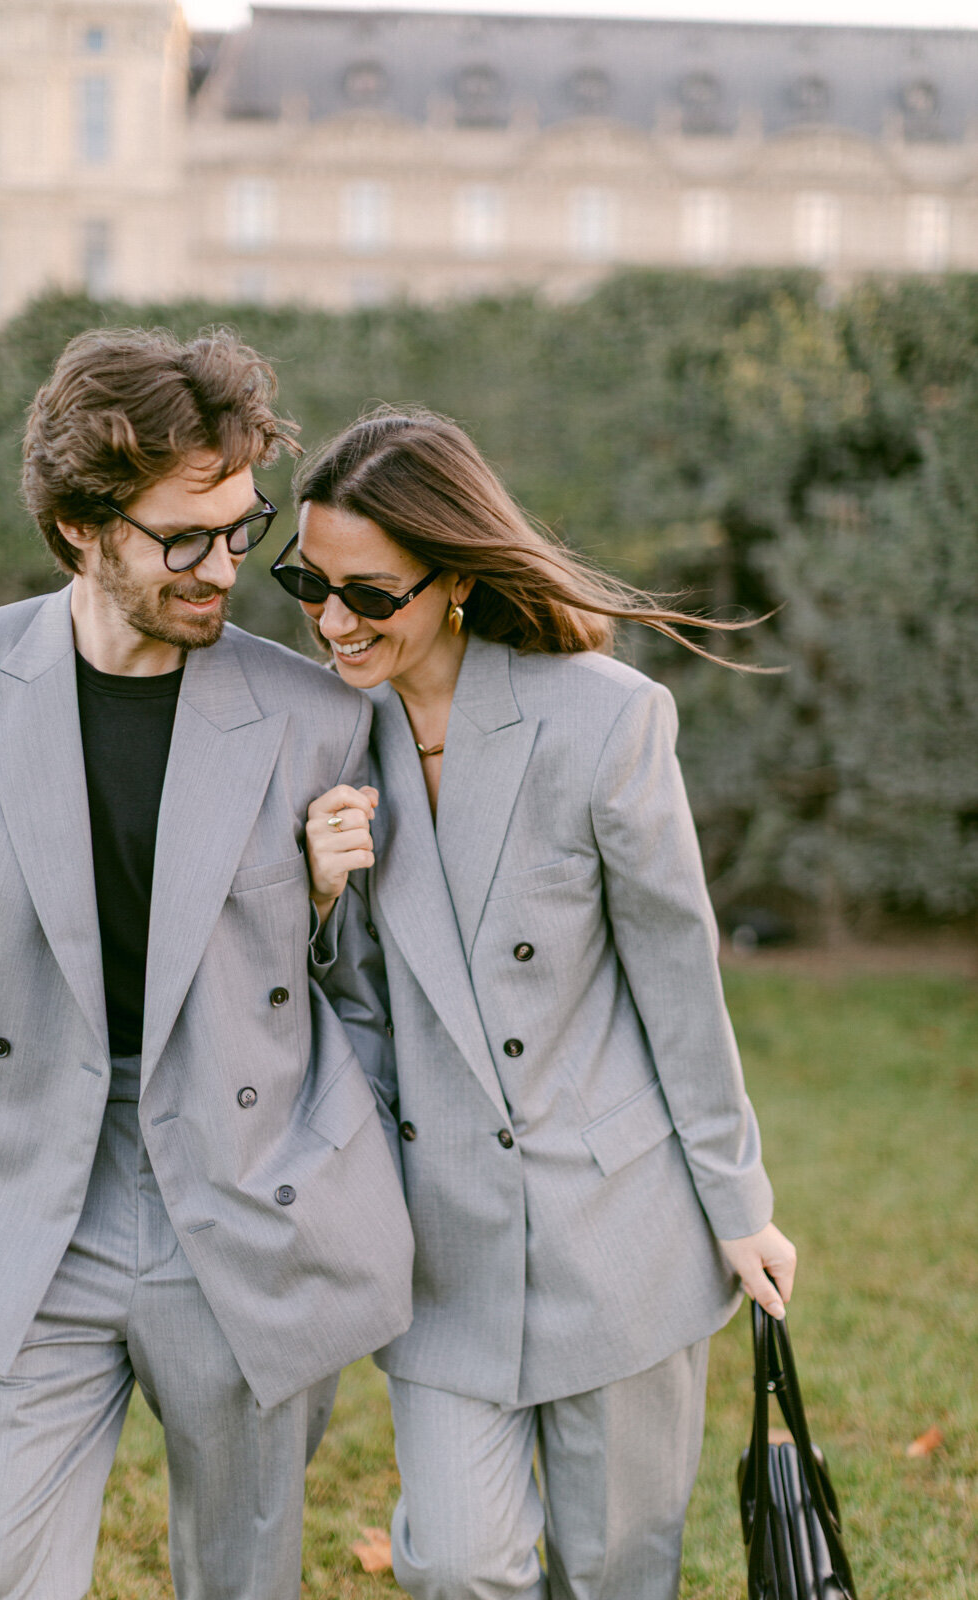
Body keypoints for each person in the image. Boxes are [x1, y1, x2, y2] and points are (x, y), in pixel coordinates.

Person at [0, 331, 413, 1600]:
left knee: (238, 1580)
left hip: (245, 1202)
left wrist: (319, 1137)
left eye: (241, 530)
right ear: (82, 529)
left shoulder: (318, 717)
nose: (224, 568)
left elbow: (359, 986)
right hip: (26, 1195)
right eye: (183, 538)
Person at [279, 409, 798, 1600]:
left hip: (618, 1228)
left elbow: (677, 980)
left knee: (617, 1571)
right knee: (454, 1567)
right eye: (309, 581)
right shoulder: (314, 732)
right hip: (440, 1239)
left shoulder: (604, 717)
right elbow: (339, 1006)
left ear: (452, 576)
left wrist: (735, 1200)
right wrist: (314, 890)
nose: (332, 620)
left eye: (369, 593)